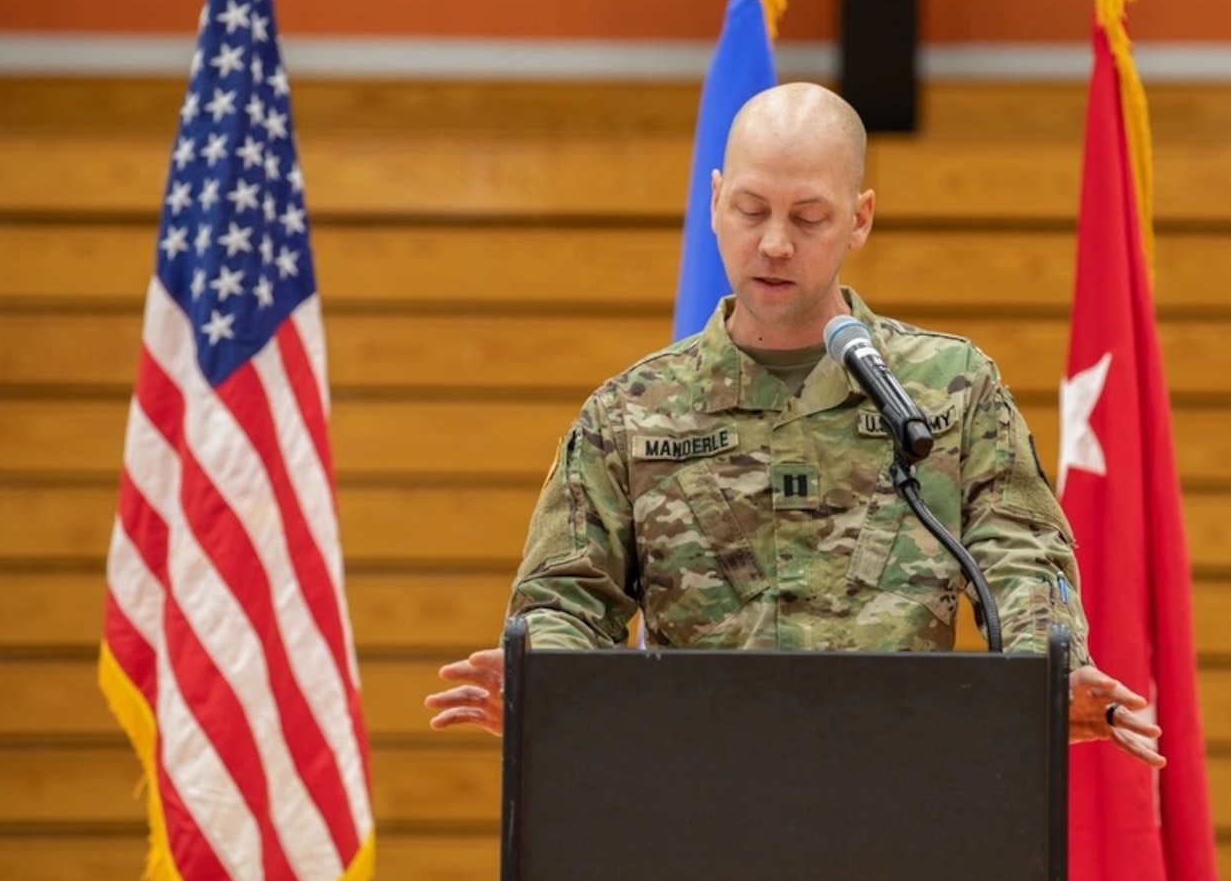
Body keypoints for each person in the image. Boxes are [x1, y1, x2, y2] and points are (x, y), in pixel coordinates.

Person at [426, 82, 1164, 768]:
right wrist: (544, 681)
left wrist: (1046, 674)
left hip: (905, 786)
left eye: (808, 218)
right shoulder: (630, 413)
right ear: (715, 203)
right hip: (696, 790)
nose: (775, 243)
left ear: (859, 219)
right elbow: (565, 598)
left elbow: (1022, 558)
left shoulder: (949, 390)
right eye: (751, 210)